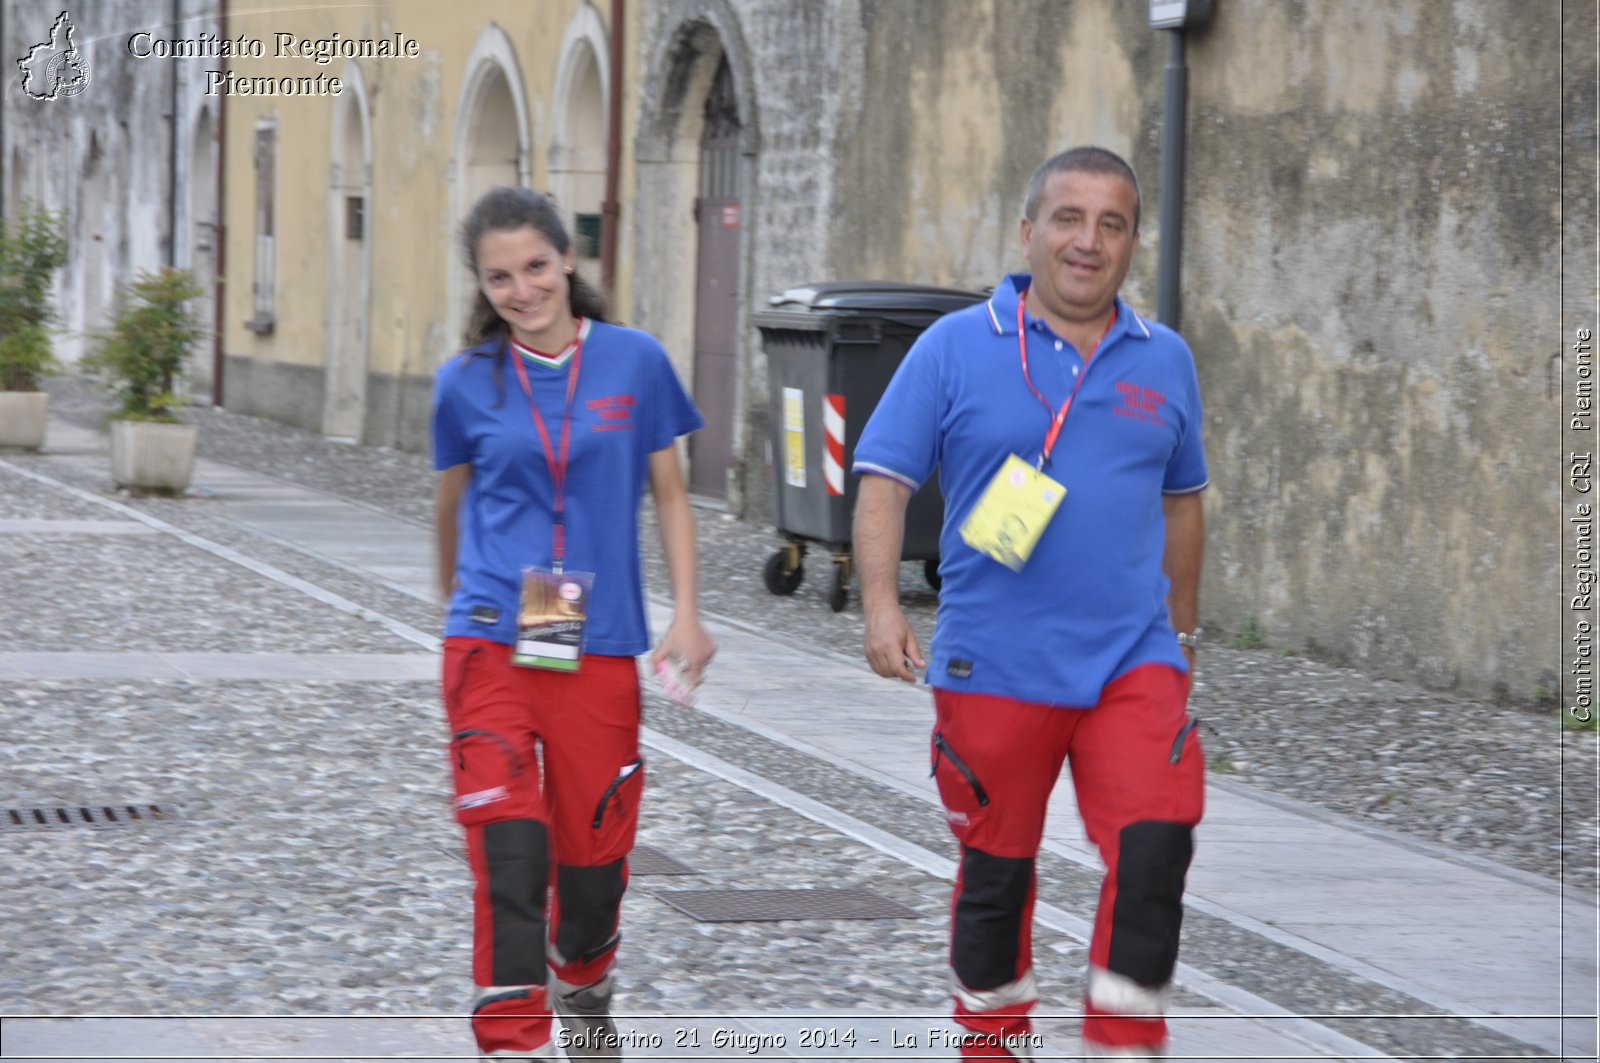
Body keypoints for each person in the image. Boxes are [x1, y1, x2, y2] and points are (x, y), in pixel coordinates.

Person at [852, 146, 1207, 1060]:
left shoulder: (1164, 360)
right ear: (1029, 232)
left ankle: (1123, 1040)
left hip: (1132, 659)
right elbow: (885, 479)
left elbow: (1183, 500)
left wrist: (1184, 630)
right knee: (996, 874)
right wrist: (882, 605)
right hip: (993, 662)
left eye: (1112, 224)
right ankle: (991, 1038)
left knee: (1158, 842)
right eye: (1068, 218)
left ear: (1131, 243)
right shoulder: (954, 346)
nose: (1087, 241)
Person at [432, 186, 716, 1061]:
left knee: (592, 859)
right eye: (500, 277)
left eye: (536, 267)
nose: (522, 289)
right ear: (482, 285)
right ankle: (513, 1038)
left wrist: (688, 615)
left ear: (567, 261)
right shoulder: (465, 382)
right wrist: (458, 611)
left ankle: (583, 977)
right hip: (492, 632)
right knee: (510, 844)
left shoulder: (635, 363)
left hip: (590, 633)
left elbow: (669, 491)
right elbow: (449, 508)